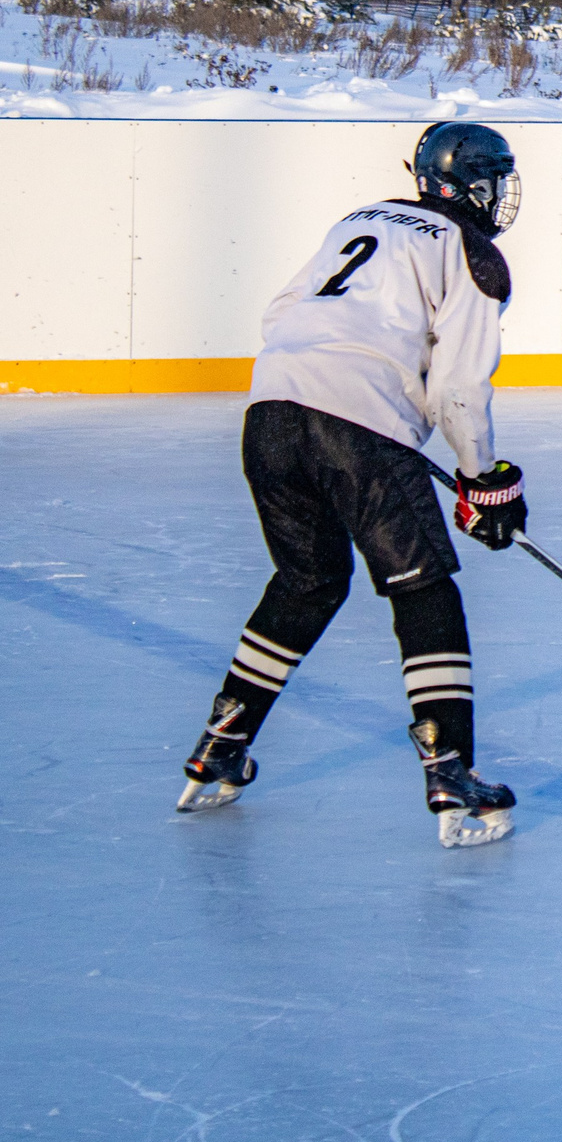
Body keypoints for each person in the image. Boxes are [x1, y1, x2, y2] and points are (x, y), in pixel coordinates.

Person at [177, 122, 529, 848]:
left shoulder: (360, 219)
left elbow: (281, 314)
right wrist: (483, 480)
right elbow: (460, 386)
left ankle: (223, 740)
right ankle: (450, 766)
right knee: (422, 587)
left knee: (306, 580)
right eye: (494, 179)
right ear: (470, 185)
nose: (500, 196)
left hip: (270, 412)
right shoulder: (471, 253)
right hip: (357, 426)